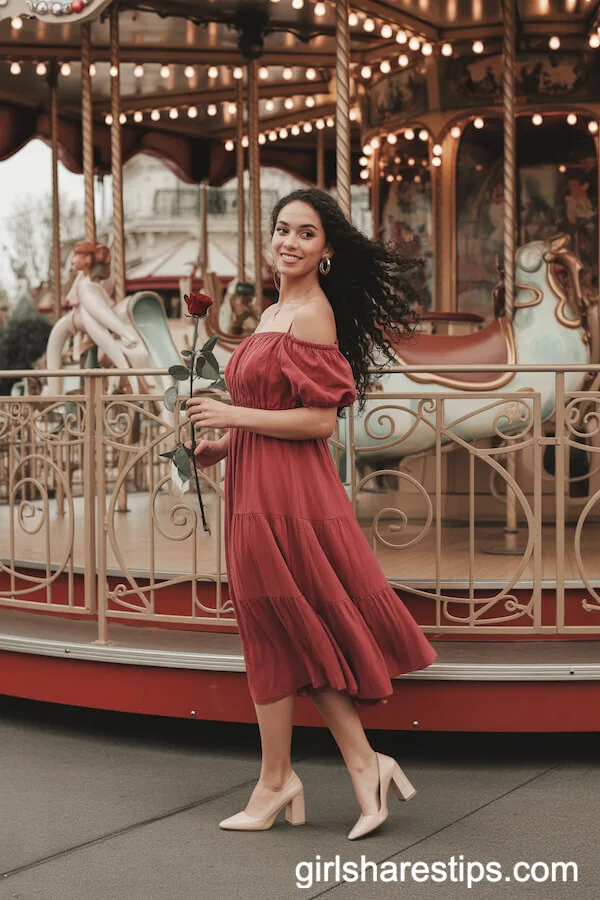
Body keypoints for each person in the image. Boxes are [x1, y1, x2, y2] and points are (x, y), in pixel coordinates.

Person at [185, 188, 437, 840]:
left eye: (305, 233)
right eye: (282, 230)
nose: (289, 242)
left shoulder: (313, 316)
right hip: (252, 484)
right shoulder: (273, 312)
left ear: (325, 251)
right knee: (268, 627)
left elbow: (319, 420)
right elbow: (270, 404)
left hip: (291, 496)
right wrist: (222, 444)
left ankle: (340, 766)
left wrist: (232, 415)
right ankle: (287, 778)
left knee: (287, 623)